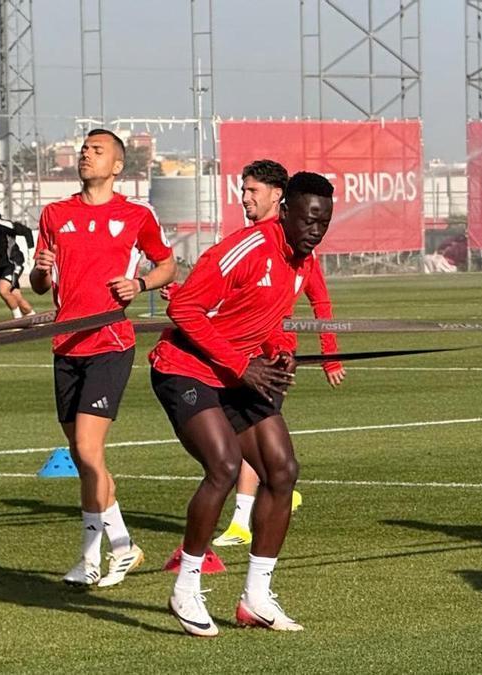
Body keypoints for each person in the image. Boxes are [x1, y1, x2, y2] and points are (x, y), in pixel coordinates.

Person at [151, 171, 335, 637]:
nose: (316, 230)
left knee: (282, 470)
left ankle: (255, 597)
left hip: (240, 374)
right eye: (310, 219)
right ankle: (186, 588)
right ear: (287, 210)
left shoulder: (305, 263)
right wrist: (240, 363)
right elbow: (184, 308)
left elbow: (270, 319)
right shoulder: (249, 248)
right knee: (224, 467)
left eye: (325, 222)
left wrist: (281, 354)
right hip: (185, 367)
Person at [30, 128, 177, 588]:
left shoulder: (136, 216)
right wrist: (39, 271)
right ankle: (104, 554)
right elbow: (38, 283)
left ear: (117, 166)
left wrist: (142, 284)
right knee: (83, 457)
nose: (85, 155)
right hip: (65, 344)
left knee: (90, 452)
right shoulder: (55, 214)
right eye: (83, 149)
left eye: (97, 150)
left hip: (110, 343)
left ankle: (113, 549)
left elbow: (168, 264)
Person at [211, 159, 345, 548]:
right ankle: (273, 493)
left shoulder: (301, 253)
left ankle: (241, 520)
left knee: (247, 442)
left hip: (269, 362)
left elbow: (321, 303)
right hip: (234, 360)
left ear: (277, 197)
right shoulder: (247, 243)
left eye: (253, 190)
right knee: (249, 448)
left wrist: (329, 357)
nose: (245, 197)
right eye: (244, 189)